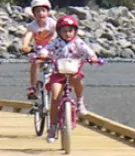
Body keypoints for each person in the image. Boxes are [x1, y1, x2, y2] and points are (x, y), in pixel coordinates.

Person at [39, 15, 98, 143]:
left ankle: (80, 102)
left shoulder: (78, 42)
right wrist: (43, 54)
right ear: (59, 32)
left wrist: (93, 57)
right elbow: (46, 49)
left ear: (75, 31)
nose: (67, 33)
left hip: (72, 72)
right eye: (64, 31)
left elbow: (88, 51)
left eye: (70, 30)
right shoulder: (56, 42)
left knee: (78, 80)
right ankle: (53, 126)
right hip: (58, 73)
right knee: (55, 97)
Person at [20, 0, 55, 100]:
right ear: (34, 14)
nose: (41, 13)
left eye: (43, 10)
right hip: (39, 51)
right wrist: (25, 45)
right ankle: (33, 86)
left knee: (60, 65)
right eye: (38, 11)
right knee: (35, 63)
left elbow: (58, 33)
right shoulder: (32, 25)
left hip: (52, 49)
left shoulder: (52, 23)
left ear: (48, 12)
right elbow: (28, 35)